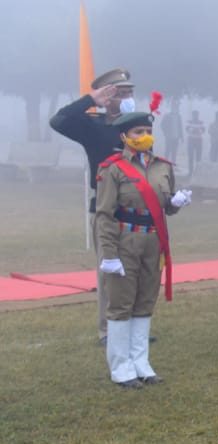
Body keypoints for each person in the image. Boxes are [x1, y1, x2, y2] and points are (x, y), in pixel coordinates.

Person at [95, 110, 192, 387]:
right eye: (137, 132)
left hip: (153, 241)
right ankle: (120, 366)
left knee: (145, 302)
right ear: (124, 136)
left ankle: (141, 362)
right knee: (121, 304)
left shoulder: (163, 166)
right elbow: (105, 214)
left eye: (147, 131)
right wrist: (109, 254)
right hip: (125, 240)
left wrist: (176, 202)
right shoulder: (112, 168)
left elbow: (165, 208)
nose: (144, 136)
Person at [49, 68, 136, 346]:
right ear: (106, 96)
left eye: (129, 92)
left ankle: (133, 324)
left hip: (137, 209)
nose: (127, 97)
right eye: (120, 93)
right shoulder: (93, 125)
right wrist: (89, 100)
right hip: (106, 210)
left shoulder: (138, 125)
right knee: (109, 272)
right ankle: (108, 330)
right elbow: (59, 120)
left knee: (134, 270)